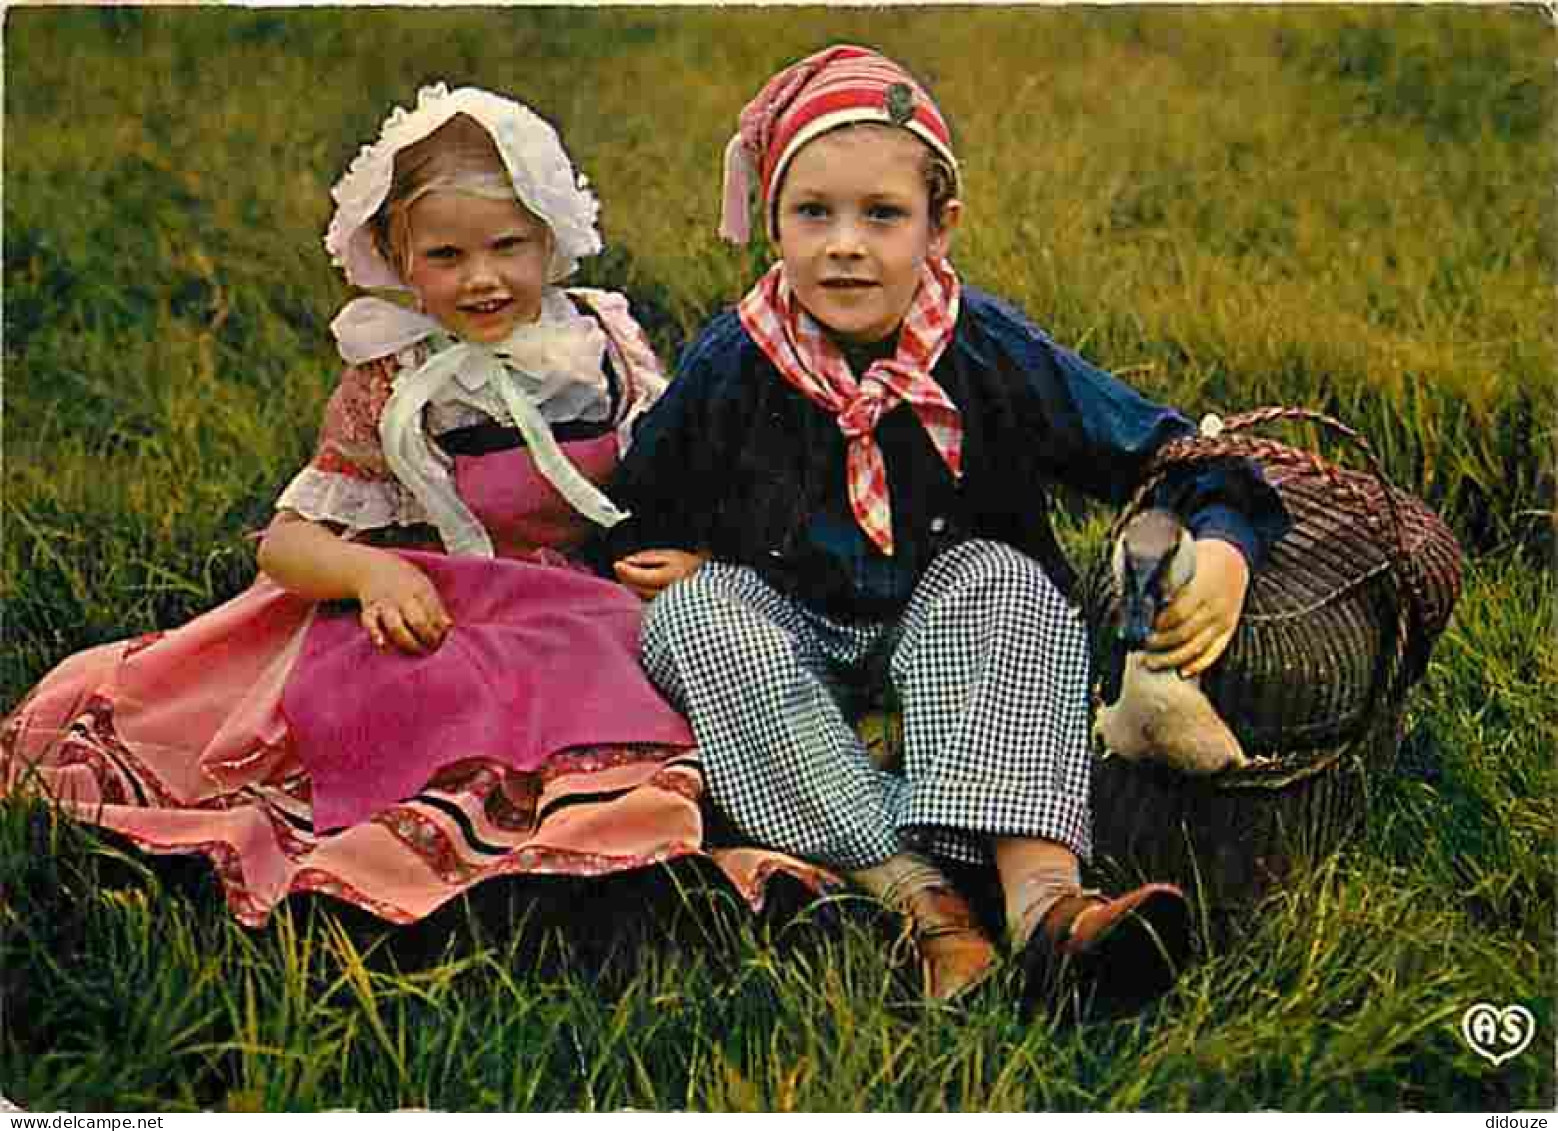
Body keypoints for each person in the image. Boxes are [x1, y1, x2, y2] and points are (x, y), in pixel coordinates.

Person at [0, 83, 827, 927]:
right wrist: (368, 572)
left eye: (508, 246)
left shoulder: (602, 344)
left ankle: (625, 851)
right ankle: (482, 862)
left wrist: (692, 556)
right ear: (399, 260)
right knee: (419, 711)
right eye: (445, 257)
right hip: (446, 605)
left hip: (583, 600)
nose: (482, 278)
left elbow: (675, 480)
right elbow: (286, 542)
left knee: (666, 693)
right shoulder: (393, 377)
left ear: (552, 237)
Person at [602, 46, 1289, 1009]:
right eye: (814, 214)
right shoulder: (735, 360)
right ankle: (924, 906)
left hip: (951, 626)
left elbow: (1171, 453)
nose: (846, 245)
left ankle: (1045, 902)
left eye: (882, 215)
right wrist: (692, 560)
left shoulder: (985, 347)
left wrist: (1220, 549)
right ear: (773, 223)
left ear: (940, 225)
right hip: (794, 628)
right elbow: (630, 510)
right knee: (691, 618)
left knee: (1003, 577)